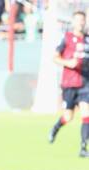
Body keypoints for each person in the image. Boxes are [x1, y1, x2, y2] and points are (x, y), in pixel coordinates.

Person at [49, 11, 86, 147]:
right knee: (68, 117)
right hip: (70, 83)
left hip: (85, 82)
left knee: (86, 114)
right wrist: (68, 63)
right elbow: (55, 57)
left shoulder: (87, 39)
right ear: (73, 22)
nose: (80, 22)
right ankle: (56, 127)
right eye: (78, 20)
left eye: (82, 19)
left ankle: (83, 146)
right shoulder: (67, 38)